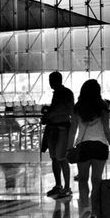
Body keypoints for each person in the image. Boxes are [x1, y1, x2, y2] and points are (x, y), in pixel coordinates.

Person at [69, 78, 110, 218]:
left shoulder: (77, 108)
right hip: (100, 146)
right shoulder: (103, 107)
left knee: (83, 179)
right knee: (96, 180)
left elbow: (73, 130)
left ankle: (85, 207)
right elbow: (107, 130)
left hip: (83, 147)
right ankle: (94, 209)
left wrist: (68, 148)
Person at [41, 70, 75, 198]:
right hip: (54, 128)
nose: (50, 83)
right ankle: (59, 185)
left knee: (61, 158)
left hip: (61, 129)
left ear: (58, 81)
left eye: (52, 81)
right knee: (55, 158)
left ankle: (66, 187)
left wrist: (51, 114)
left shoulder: (65, 93)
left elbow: (69, 110)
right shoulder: (59, 93)